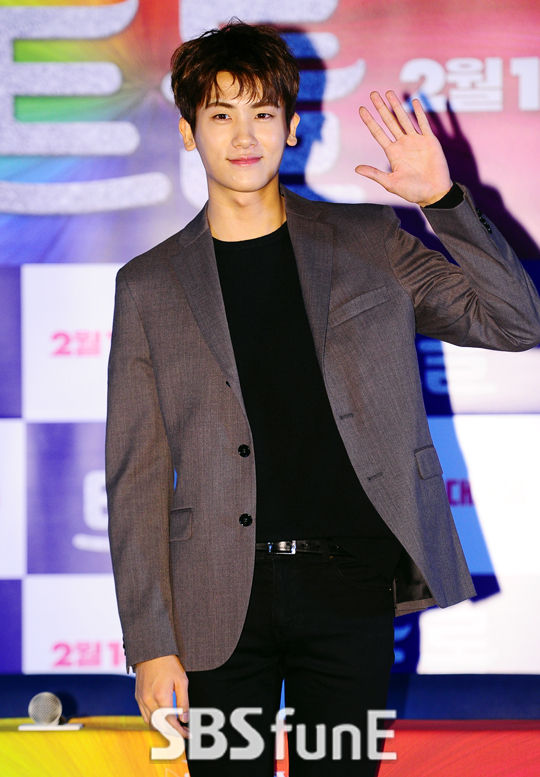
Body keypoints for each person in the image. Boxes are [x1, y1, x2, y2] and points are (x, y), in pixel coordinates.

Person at [105, 20, 540, 776]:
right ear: (187, 131)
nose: (245, 135)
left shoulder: (368, 240)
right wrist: (150, 643)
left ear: (292, 127)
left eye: (263, 113)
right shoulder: (148, 285)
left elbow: (516, 322)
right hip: (214, 600)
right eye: (221, 114)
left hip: (349, 587)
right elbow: (135, 475)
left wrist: (443, 201)